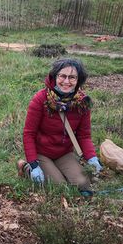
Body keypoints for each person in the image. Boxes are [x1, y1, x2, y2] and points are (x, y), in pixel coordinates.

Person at [17, 58, 102, 194]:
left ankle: (56, 169)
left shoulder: (82, 103)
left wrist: (92, 157)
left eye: (72, 77)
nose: (66, 81)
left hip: (64, 153)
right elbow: (29, 134)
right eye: (62, 76)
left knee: (83, 183)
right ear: (55, 76)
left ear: (78, 80)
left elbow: (84, 135)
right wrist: (33, 164)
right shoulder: (40, 99)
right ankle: (25, 167)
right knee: (59, 187)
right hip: (42, 152)